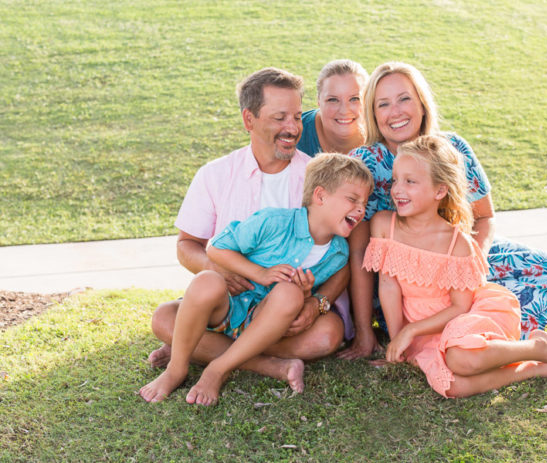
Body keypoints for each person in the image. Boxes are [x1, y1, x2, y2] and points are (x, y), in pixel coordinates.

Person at [340, 62, 547, 360]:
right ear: (373, 114)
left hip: (460, 256)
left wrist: (471, 266)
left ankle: (494, 339)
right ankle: (461, 337)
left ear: (422, 103)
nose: (395, 111)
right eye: (383, 104)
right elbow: (360, 250)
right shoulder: (364, 162)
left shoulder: (453, 148)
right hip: (407, 285)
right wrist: (365, 332)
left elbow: (484, 216)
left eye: (404, 99)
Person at [146, 67, 349, 384]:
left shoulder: (316, 178)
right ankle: (267, 364)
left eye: (296, 117)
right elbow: (186, 245)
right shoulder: (215, 174)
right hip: (227, 303)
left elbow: (341, 256)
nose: (293, 128)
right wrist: (218, 269)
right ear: (248, 120)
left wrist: (317, 304)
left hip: (284, 308)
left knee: (327, 335)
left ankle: (197, 347)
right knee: (162, 320)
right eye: (280, 117)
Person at [363, 135, 547, 397]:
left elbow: (460, 307)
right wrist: (398, 340)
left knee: (460, 359)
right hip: (423, 332)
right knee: (453, 386)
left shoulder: (457, 243)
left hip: (461, 319)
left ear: (439, 191)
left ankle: (536, 347)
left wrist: (412, 330)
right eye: (396, 180)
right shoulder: (384, 225)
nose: (398, 189)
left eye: (410, 182)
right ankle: (533, 368)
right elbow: (388, 285)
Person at [139, 154, 373, 405]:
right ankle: (179, 367)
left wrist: (311, 299)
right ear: (320, 196)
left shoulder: (338, 254)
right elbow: (216, 249)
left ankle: (212, 364)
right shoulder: (272, 221)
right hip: (226, 307)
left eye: (365, 201)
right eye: (352, 199)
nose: (361, 208)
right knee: (191, 293)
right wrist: (259, 273)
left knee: (312, 315)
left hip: (264, 323)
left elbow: (322, 286)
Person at [296, 59, 369, 156]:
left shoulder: (385, 134)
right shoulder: (294, 135)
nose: (344, 111)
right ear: (318, 100)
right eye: (333, 100)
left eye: (354, 99)